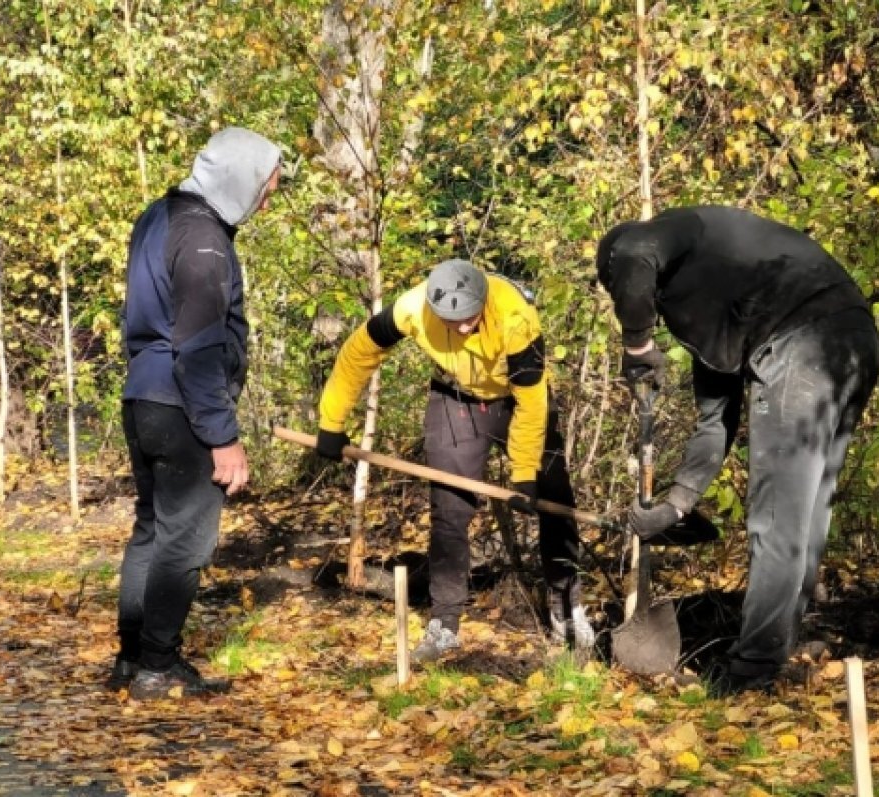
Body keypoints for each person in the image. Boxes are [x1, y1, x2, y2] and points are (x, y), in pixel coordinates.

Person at [596, 205, 879, 695]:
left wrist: (637, 344)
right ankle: (780, 645)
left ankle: (753, 670)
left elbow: (633, 252)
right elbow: (715, 420)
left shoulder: (661, 237)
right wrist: (678, 504)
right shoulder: (723, 298)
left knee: (776, 519)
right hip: (855, 338)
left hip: (805, 342)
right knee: (807, 512)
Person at [315, 259, 595, 662]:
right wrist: (332, 420)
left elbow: (532, 403)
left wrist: (523, 473)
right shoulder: (411, 308)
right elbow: (360, 351)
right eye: (452, 320)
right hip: (456, 399)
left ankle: (567, 609)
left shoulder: (516, 317)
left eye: (469, 318)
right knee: (449, 509)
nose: (463, 328)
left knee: (554, 497)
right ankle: (445, 624)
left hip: (517, 401)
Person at [111, 127, 282, 700]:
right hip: (182, 404)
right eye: (266, 183)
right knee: (184, 541)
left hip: (143, 397)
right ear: (240, 177)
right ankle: (158, 667)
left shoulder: (157, 216)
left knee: (151, 532)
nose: (269, 195)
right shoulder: (204, 238)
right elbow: (200, 346)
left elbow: (136, 312)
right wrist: (223, 437)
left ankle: (132, 660)